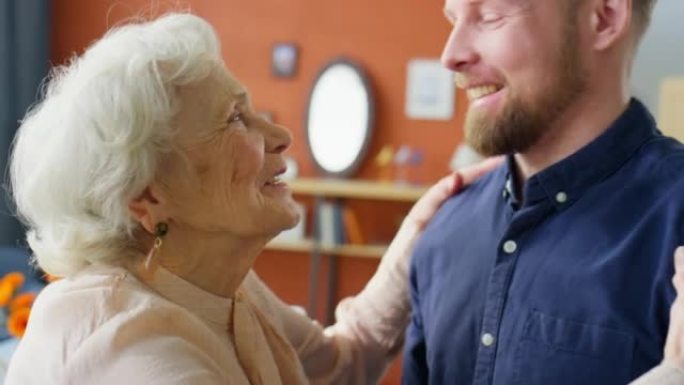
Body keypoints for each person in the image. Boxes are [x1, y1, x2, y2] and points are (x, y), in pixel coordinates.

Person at [3, 13, 500, 385]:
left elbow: (340, 363)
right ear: (149, 195)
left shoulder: (220, 286)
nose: (281, 134)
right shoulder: (127, 351)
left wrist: (419, 229)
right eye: (234, 119)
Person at [402, 0, 684, 383]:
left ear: (604, 18)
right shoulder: (442, 232)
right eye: (453, 20)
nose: (450, 56)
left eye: (490, 17)